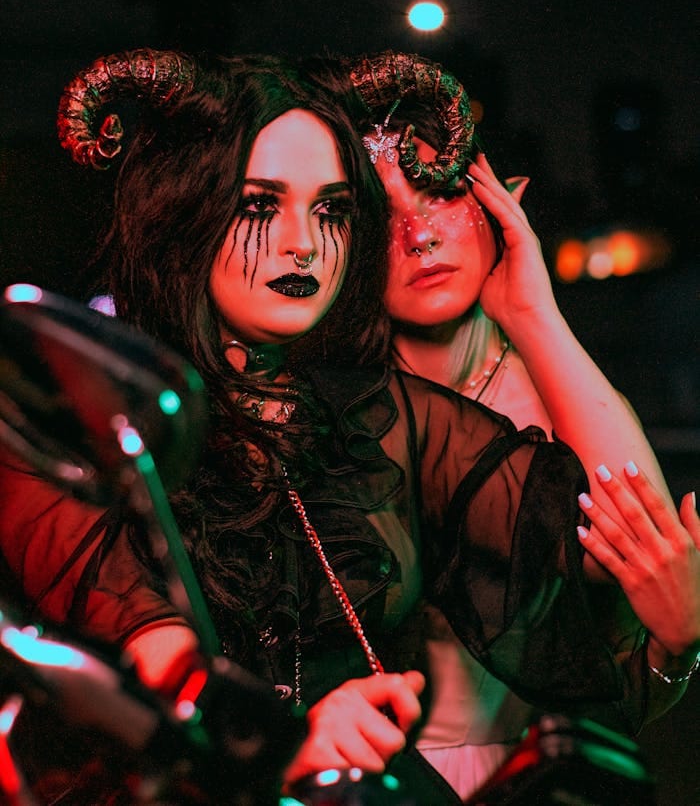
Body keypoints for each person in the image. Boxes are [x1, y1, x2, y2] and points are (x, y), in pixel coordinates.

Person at [0, 48, 689, 805]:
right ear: (184, 212)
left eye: (330, 209)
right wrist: (282, 742)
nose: (304, 242)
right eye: (261, 204)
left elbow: (621, 528)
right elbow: (143, 631)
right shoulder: (85, 409)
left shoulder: (370, 417)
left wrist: (532, 314)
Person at [306, 48, 700, 800]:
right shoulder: (332, 415)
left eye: (436, 190)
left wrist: (533, 314)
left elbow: (641, 565)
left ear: (500, 196)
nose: (416, 234)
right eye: (374, 213)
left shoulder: (557, 390)